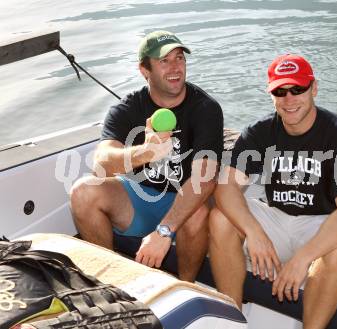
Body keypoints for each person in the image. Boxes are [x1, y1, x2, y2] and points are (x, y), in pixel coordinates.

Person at [209, 54, 337, 328]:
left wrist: (302, 259)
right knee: (220, 218)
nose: (289, 99)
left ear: (313, 88)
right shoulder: (260, 132)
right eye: (280, 91)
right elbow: (226, 186)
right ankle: (232, 319)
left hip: (319, 224)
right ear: (272, 95)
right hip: (277, 219)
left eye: (298, 89)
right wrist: (254, 233)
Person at [70, 30, 223, 282]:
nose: (176, 67)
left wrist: (164, 231)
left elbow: (204, 179)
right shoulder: (128, 107)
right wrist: (145, 152)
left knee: (197, 213)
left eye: (180, 58)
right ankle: (112, 283)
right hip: (140, 197)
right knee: (83, 191)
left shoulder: (205, 108)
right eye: (164, 61)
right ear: (144, 70)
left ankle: (185, 286)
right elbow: (102, 160)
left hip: (183, 200)